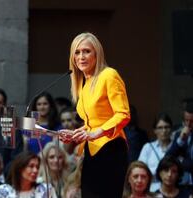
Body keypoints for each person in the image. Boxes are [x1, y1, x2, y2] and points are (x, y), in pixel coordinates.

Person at [60, 32, 131, 197]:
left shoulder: (109, 75)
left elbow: (123, 114)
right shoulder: (85, 84)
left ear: (96, 54)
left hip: (111, 148)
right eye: (77, 52)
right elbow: (92, 121)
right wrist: (77, 134)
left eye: (86, 51)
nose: (81, 56)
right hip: (91, 151)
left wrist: (97, 132)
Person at [138, 113, 174, 192]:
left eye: (166, 127)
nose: (164, 131)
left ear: (171, 129)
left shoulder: (176, 147)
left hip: (172, 192)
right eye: (160, 128)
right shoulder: (148, 148)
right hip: (152, 191)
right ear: (155, 130)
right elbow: (140, 170)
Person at [166, 101, 193, 186]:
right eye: (186, 120)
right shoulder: (179, 133)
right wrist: (181, 140)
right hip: (180, 184)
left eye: (192, 121)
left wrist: (180, 160)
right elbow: (168, 157)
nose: (188, 124)